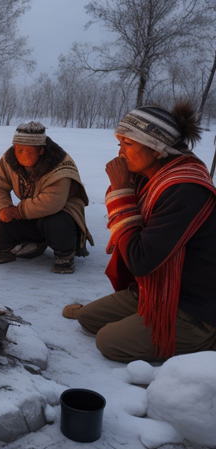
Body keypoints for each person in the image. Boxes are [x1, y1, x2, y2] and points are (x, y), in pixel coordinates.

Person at [76, 103, 216, 362]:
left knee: (108, 341)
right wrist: (124, 189)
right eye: (119, 143)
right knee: (87, 319)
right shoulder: (150, 177)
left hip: (193, 306)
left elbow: (141, 260)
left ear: (156, 147)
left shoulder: (185, 189)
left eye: (127, 144)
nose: (120, 153)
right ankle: (143, 309)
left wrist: (121, 193)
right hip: (154, 291)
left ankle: (205, 338)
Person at [0, 121, 93, 273]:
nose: (22, 155)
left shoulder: (60, 164)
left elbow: (53, 201)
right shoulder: (9, 160)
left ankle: (65, 254)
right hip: (30, 214)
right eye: (19, 150)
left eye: (29, 152)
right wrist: (3, 207)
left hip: (60, 215)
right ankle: (6, 249)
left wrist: (18, 211)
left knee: (55, 219)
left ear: (41, 150)